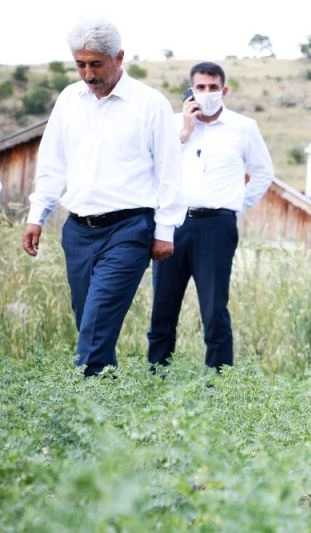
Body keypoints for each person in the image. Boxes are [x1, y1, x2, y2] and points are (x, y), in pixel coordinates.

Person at [21, 18, 185, 377]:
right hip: (78, 231)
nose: (88, 74)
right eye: (80, 64)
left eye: (96, 64)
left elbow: (170, 172)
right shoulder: (68, 99)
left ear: (119, 57)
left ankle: (83, 401)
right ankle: (106, 397)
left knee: (96, 324)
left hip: (129, 230)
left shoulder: (150, 104)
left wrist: (165, 231)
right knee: (89, 322)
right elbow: (52, 163)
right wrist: (37, 215)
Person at [146, 61, 275, 371]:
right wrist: (184, 133)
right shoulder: (171, 125)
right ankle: (154, 378)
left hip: (217, 226)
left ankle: (219, 384)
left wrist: (237, 205)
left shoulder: (244, 128)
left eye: (213, 87)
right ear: (191, 90)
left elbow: (263, 172)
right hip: (173, 224)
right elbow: (152, 168)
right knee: (163, 308)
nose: (207, 93)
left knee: (215, 311)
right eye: (200, 87)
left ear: (224, 90)